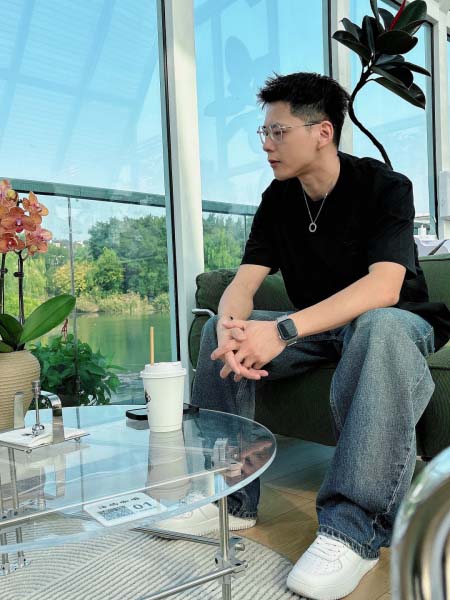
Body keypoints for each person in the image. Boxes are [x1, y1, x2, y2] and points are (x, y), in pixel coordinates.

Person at [158, 72, 450, 600]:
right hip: (318, 327)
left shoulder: (385, 186)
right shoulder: (278, 198)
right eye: (264, 132)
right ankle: (229, 499)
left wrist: (283, 329)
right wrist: (232, 327)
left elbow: (384, 288)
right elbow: (244, 283)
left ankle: (353, 531)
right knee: (216, 335)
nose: (266, 144)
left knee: (377, 327)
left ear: (322, 132)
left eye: (279, 131)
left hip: (396, 321)